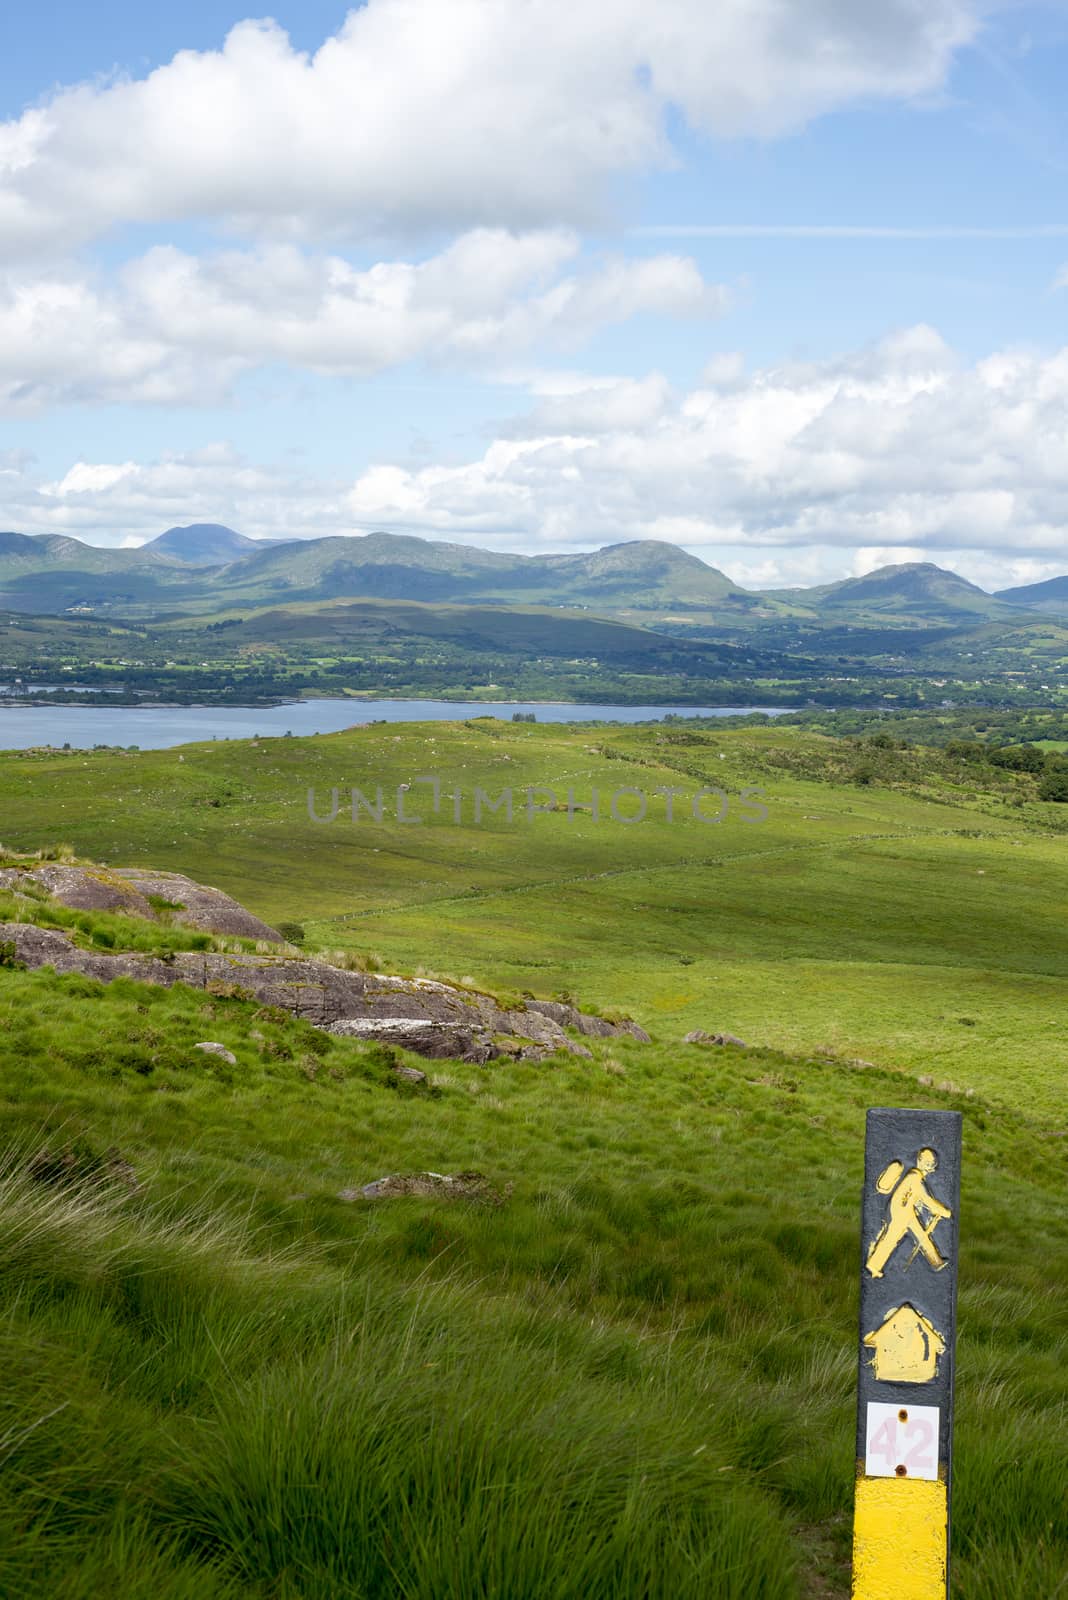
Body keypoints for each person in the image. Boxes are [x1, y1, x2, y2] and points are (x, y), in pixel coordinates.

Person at [866, 1147, 951, 1278]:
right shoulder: (915, 1177)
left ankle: (936, 1262)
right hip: (901, 1212)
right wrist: (945, 1212)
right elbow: (926, 1199)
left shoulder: (915, 1175)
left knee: (921, 1236)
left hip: (906, 1211)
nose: (930, 1168)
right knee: (891, 1239)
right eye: (929, 1164)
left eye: (932, 1164)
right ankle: (873, 1265)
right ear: (921, 1162)